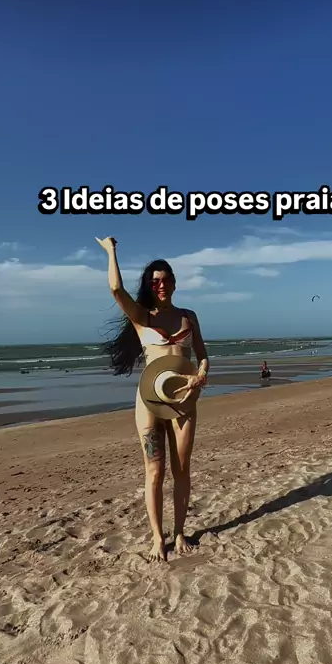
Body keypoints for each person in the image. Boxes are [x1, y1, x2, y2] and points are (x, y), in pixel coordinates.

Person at [96, 236, 209, 563]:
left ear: (174, 283)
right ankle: (158, 537)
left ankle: (179, 532)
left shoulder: (189, 316)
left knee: (182, 470)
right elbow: (116, 289)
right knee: (154, 472)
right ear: (149, 285)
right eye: (155, 281)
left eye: (166, 279)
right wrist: (111, 251)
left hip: (183, 402)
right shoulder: (142, 317)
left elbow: (202, 355)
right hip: (149, 402)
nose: (161, 285)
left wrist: (201, 374)